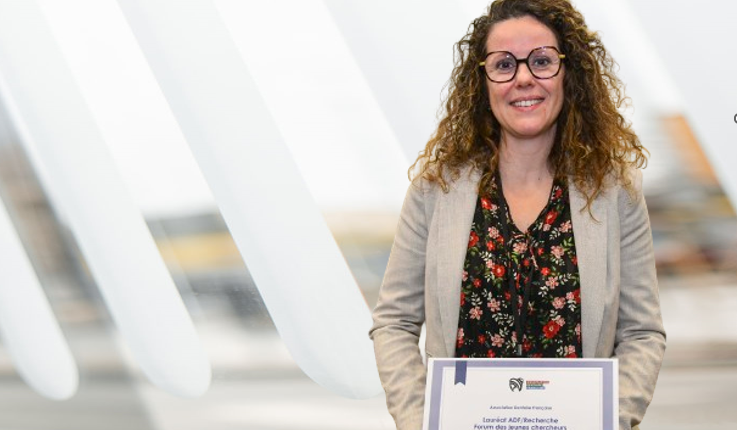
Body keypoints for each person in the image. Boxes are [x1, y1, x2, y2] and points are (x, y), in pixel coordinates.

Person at [368, 1, 666, 429]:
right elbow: (393, 324)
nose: (523, 77)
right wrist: (419, 421)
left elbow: (642, 334)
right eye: (504, 64)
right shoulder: (436, 190)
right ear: (482, 82)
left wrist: (609, 420)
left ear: (570, 74)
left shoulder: (615, 192)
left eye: (541, 61)